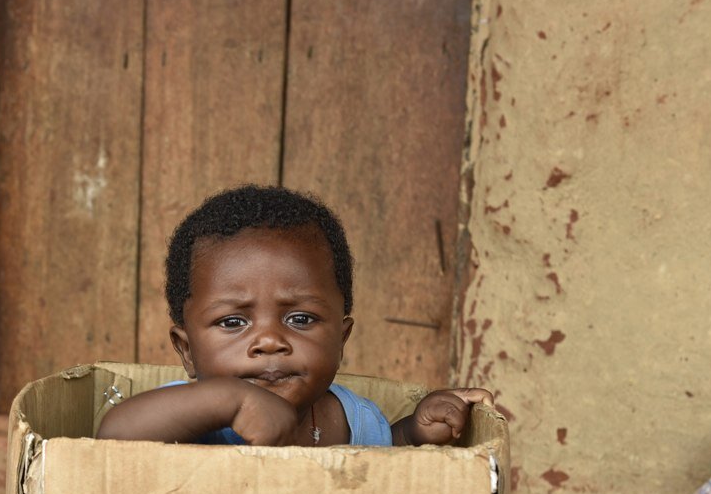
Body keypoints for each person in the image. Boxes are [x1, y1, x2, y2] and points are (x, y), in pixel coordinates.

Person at [97, 184, 491, 446]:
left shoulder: (354, 419)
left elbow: (377, 460)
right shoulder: (185, 414)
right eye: (233, 322)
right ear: (186, 350)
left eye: (300, 319)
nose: (270, 341)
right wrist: (232, 402)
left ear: (341, 337)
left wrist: (411, 433)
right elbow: (112, 438)